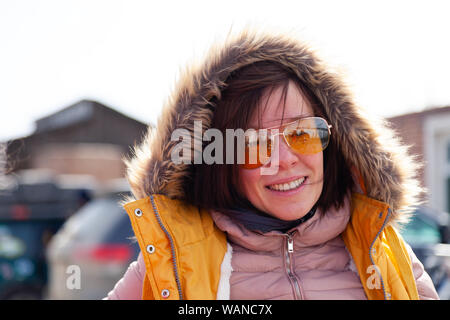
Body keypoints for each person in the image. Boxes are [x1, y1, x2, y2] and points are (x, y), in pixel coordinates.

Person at [105, 28, 439, 300]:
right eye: (254, 143)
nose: (283, 160)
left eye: (301, 134)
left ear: (333, 145)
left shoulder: (385, 255)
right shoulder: (173, 265)